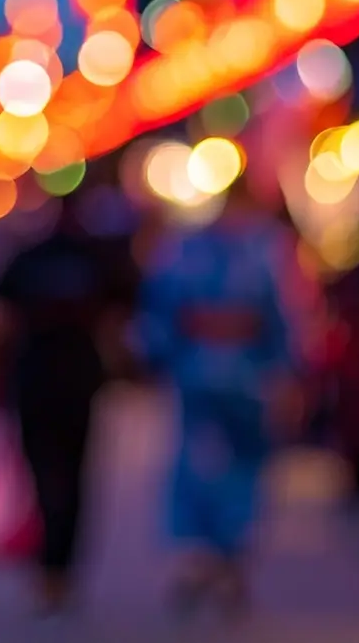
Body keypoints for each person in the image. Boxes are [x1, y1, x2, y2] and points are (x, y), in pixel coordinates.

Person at [138, 172, 297, 615]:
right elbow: (286, 318)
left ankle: (210, 553)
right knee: (230, 463)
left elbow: (159, 311)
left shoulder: (190, 247)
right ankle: (221, 553)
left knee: (207, 459)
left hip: (208, 370)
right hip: (241, 373)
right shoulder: (267, 248)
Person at [0, 191, 136, 613]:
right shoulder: (98, 258)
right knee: (75, 476)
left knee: (42, 474)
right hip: (79, 380)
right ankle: (61, 566)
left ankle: (50, 566)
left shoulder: (29, 257)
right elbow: (120, 315)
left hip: (35, 378)